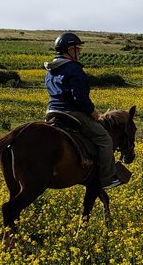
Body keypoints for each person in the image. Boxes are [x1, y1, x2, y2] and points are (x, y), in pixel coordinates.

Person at [44, 32, 121, 190]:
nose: (80, 52)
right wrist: (93, 113)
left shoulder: (50, 68)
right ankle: (107, 179)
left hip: (51, 111)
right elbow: (80, 98)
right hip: (71, 112)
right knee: (105, 140)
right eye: (78, 48)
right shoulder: (73, 68)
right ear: (70, 50)